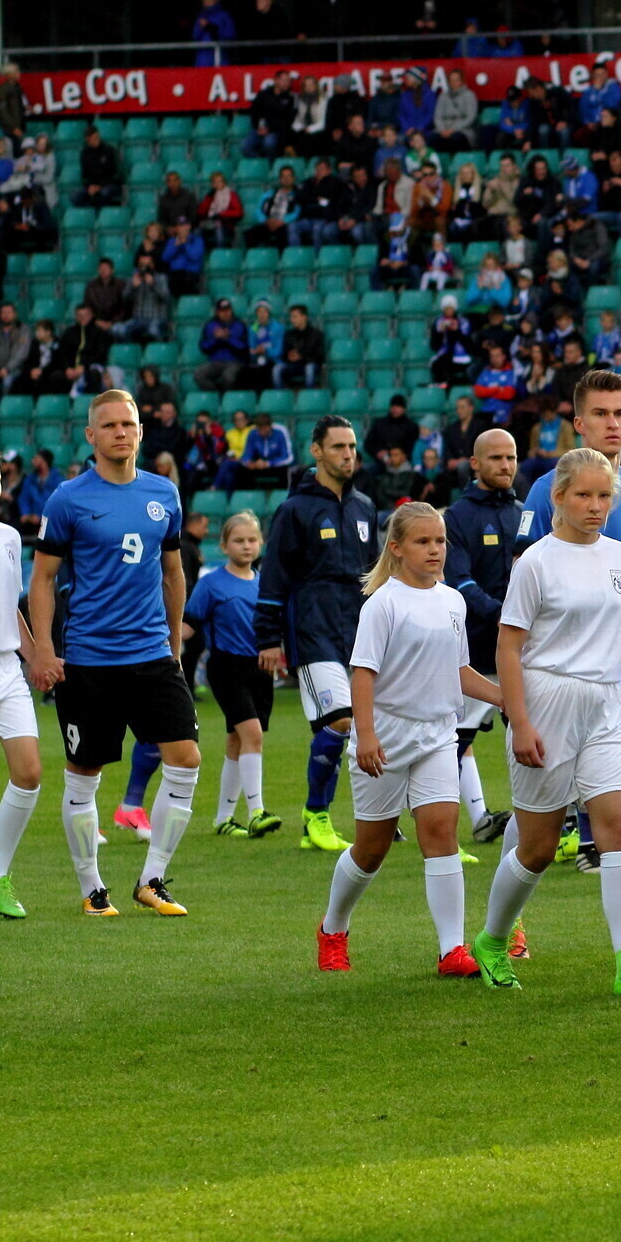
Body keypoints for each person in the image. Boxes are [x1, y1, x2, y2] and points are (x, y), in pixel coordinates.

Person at [469, 448, 621, 995]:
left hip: (606, 705)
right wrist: (520, 722)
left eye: (604, 495)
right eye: (583, 495)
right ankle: (492, 939)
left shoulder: (620, 556)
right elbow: (508, 648)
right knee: (537, 848)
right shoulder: (536, 562)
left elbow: (619, 638)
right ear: (558, 497)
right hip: (546, 703)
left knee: (620, 826)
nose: (595, 506)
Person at [27, 390, 201, 918]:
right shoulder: (68, 498)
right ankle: (91, 888)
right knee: (84, 773)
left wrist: (174, 645)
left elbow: (173, 573)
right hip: (89, 660)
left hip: (151, 655)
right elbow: (43, 578)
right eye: (109, 425)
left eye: (128, 423)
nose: (120, 432)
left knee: (186, 760)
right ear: (91, 435)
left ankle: (152, 879)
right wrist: (43, 650)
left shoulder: (163, 493)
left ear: (141, 431)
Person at [315, 503, 506, 978]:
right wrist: (366, 736)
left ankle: (452, 950)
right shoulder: (383, 603)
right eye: (423, 542)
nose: (435, 550)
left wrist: (506, 697)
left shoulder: (453, 601)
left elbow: (459, 670)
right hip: (385, 737)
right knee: (371, 849)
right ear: (397, 548)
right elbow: (363, 674)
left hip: (438, 735)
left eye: (440, 541)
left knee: (441, 835)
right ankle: (333, 928)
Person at [256, 416, 378, 854]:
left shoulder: (364, 506)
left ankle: (373, 815)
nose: (348, 455)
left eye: (352, 447)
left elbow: (375, 575)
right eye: (339, 447)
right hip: (312, 631)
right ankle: (315, 815)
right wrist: (268, 639)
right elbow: (274, 576)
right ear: (317, 451)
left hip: (358, 632)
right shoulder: (295, 510)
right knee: (340, 721)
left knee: (361, 726)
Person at [444, 429, 521, 853]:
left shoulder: (524, 512)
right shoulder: (458, 517)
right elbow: (459, 580)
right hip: (473, 651)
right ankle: (427, 819)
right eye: (496, 458)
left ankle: (554, 824)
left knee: (532, 733)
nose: (506, 465)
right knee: (452, 742)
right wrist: (503, 614)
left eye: (511, 457)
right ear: (475, 463)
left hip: (521, 651)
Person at [185, 512, 281, 840]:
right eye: (238, 540)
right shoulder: (211, 583)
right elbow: (189, 623)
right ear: (224, 545)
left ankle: (223, 818)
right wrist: (166, 649)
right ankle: (257, 812)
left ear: (261, 544)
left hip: (261, 669)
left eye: (252, 540)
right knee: (252, 734)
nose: (246, 546)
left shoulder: (266, 584)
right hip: (226, 667)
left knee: (237, 740)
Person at [0, 502, 40, 919]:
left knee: (28, 775)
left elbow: (9, 606)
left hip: (8, 670)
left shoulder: (9, 537)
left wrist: (36, 658)